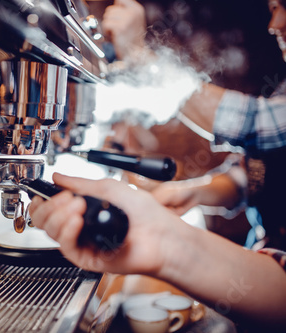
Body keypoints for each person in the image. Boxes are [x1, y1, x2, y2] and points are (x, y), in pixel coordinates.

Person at [28, 0, 286, 329]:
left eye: (282, 6)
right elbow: (253, 174)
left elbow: (255, 123)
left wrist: (138, 55)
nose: (274, 23)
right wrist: (192, 192)